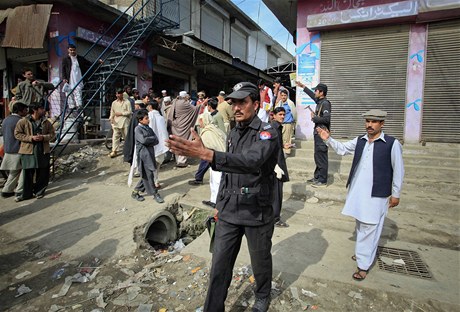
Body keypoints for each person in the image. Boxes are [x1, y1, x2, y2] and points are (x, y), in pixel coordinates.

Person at [167, 81, 278, 312]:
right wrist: (219, 204)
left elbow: (251, 162)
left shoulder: (268, 132)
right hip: (229, 209)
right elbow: (228, 170)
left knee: (260, 262)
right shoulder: (233, 131)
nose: (236, 107)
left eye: (242, 102)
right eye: (233, 103)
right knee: (219, 265)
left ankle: (262, 295)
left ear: (255, 105)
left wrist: (207, 154)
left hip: (256, 210)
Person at [316, 109, 404, 281]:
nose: (369, 125)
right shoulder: (361, 140)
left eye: (374, 122)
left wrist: (396, 193)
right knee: (361, 225)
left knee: (370, 228)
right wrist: (328, 139)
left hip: (377, 194)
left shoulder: (392, 144)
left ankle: (363, 266)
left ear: (382, 124)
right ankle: (363, 253)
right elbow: (342, 149)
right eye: (368, 121)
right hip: (358, 192)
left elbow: (399, 170)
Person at [14, 102, 56, 201]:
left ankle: (39, 191)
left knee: (43, 173)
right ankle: (26, 194)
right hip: (28, 151)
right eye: (41, 109)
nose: (44, 111)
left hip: (43, 150)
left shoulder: (46, 122)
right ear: (35, 110)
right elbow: (17, 134)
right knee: (28, 173)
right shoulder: (23, 121)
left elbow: (52, 134)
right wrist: (30, 138)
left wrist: (43, 137)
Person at [296, 81, 331, 187]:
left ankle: (322, 180)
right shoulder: (320, 102)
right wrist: (303, 87)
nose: (315, 92)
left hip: (322, 134)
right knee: (317, 156)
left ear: (321, 92)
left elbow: (326, 119)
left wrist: (314, 118)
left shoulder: (325, 103)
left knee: (322, 156)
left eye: (316, 90)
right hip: (317, 133)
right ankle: (317, 177)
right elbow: (312, 96)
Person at [130, 109, 164, 204]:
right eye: (146, 118)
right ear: (140, 120)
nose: (148, 119)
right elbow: (143, 140)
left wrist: (149, 139)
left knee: (146, 175)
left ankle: (135, 192)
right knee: (149, 175)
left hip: (150, 154)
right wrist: (150, 140)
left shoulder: (148, 128)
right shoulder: (138, 129)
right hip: (144, 156)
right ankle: (155, 193)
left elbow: (156, 140)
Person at [197, 113, 227, 208]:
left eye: (200, 120)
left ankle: (217, 202)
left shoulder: (207, 132)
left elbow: (210, 148)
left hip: (216, 160)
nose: (199, 123)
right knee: (213, 181)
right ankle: (214, 200)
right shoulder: (214, 128)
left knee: (216, 181)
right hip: (220, 158)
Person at [0, 102, 29, 198]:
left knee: (14, 171)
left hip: (8, 148)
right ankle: (20, 190)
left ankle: (7, 190)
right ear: (20, 111)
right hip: (19, 149)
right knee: (24, 170)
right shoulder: (21, 121)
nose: (26, 112)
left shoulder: (6, 120)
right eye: (25, 110)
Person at [168, 91, 202, 167]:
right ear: (185, 97)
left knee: (177, 142)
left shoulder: (175, 101)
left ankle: (178, 160)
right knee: (183, 142)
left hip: (176, 125)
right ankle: (182, 161)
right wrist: (202, 104)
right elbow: (195, 109)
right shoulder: (184, 103)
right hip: (183, 125)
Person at [271, 107, 290, 227]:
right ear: (274, 115)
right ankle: (275, 219)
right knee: (277, 194)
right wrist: (276, 166)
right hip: (276, 165)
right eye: (280, 114)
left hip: (277, 163)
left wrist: (283, 145)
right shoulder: (274, 128)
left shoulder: (277, 127)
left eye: (284, 114)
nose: (282, 116)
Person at [61, 44, 93, 109]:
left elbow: (89, 63)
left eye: (74, 50)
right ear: (68, 50)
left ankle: (79, 106)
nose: (72, 51)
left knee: (78, 92)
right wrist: (64, 78)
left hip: (78, 78)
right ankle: (72, 107)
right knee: (69, 93)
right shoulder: (65, 59)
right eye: (71, 50)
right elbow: (63, 69)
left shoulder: (80, 58)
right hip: (69, 79)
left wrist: (98, 62)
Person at [147, 100, 169, 188]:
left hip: (151, 144)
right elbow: (163, 132)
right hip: (160, 145)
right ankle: (155, 181)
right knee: (157, 166)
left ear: (150, 107)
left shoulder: (149, 116)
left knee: (151, 166)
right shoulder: (161, 117)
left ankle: (153, 182)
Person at [109, 88, 132, 158]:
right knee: (115, 137)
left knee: (126, 137)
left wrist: (121, 113)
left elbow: (129, 112)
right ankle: (114, 151)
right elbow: (112, 112)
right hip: (116, 122)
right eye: (117, 94)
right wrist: (111, 118)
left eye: (120, 93)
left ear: (122, 94)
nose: (118, 95)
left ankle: (129, 151)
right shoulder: (114, 103)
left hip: (125, 121)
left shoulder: (127, 102)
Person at [275, 89, 297, 156]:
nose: (283, 97)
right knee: (281, 139)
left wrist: (294, 123)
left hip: (288, 123)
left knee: (287, 139)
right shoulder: (279, 103)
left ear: (287, 96)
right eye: (282, 95)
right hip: (281, 124)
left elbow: (294, 114)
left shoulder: (290, 103)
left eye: (285, 95)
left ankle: (286, 154)